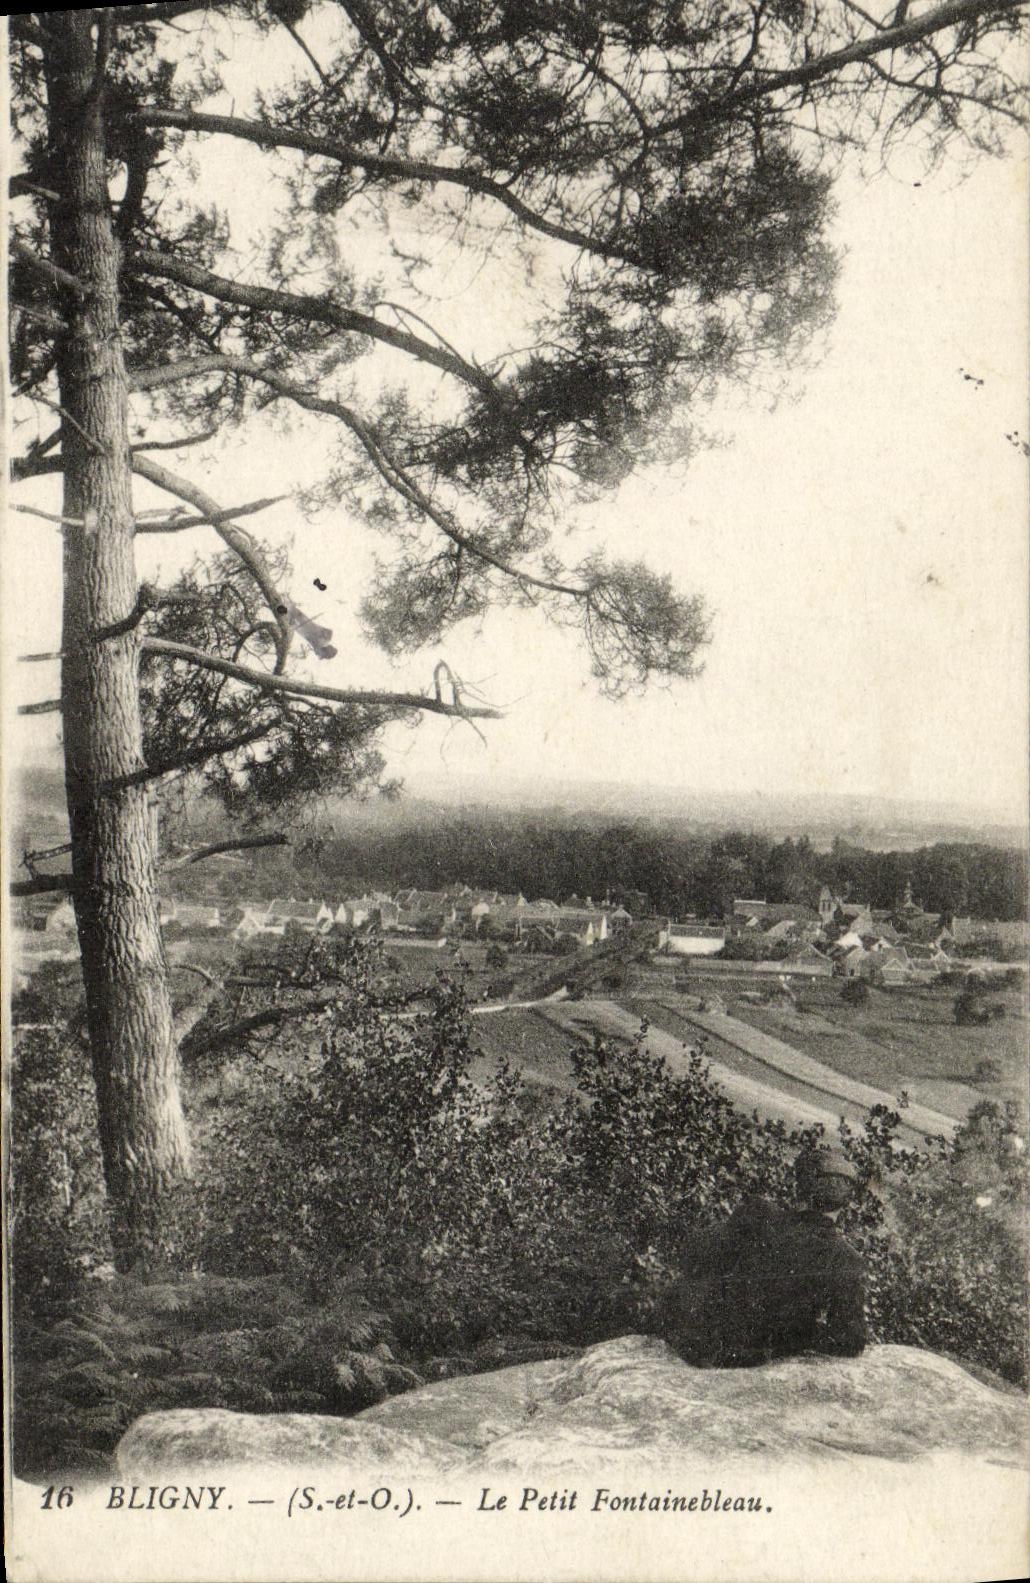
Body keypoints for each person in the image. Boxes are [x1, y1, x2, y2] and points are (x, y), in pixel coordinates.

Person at [660, 1146, 867, 1368]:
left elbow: (693, 1253)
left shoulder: (758, 1213)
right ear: (846, 1201)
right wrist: (802, 1332)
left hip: (696, 1344)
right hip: (754, 1363)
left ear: (800, 1187)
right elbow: (849, 1341)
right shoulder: (846, 1258)